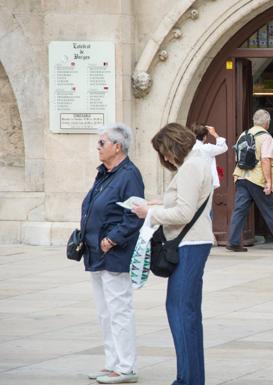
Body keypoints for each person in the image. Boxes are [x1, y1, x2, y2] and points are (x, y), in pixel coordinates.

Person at [132, 123, 214, 385]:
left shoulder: (191, 167)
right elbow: (184, 203)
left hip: (189, 245)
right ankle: (190, 377)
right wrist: (158, 203)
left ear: (174, 145)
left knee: (180, 311)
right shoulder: (197, 161)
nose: (166, 158)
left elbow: (184, 213)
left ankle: (188, 380)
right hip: (193, 243)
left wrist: (151, 214)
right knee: (186, 312)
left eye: (165, 152)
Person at [81, 123, 144, 384]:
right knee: (104, 312)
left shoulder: (129, 175)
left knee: (119, 310)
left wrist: (112, 239)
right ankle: (112, 362)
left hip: (114, 252)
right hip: (96, 251)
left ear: (117, 147)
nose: (98, 147)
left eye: (102, 143)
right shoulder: (104, 173)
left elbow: (134, 214)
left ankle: (126, 366)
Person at [226, 109, 273, 251]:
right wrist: (268, 182)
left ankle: (233, 242)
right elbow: (265, 160)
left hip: (241, 177)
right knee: (269, 210)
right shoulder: (266, 137)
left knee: (239, 211)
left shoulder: (244, 134)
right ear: (267, 123)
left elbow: (238, 158)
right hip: (257, 179)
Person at [190, 123, 228, 189]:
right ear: (204, 136)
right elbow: (224, 148)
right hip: (205, 184)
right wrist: (214, 134)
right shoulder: (207, 148)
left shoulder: (188, 148)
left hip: (191, 182)